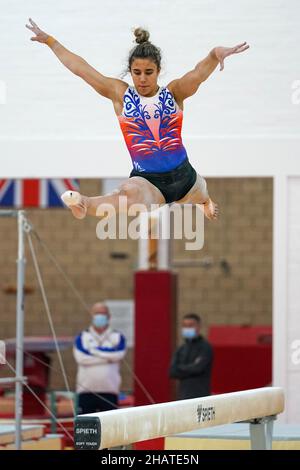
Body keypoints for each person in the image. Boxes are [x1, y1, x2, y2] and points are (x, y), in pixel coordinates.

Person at [26, 19, 249, 221]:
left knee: (203, 196)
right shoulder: (121, 96)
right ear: (130, 72)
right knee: (127, 195)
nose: (142, 78)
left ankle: (205, 203)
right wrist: (50, 41)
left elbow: (198, 74)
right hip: (148, 181)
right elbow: (82, 70)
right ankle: (85, 203)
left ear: (159, 71)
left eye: (149, 72)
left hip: (187, 178)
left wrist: (214, 54)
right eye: (137, 72)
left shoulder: (173, 93)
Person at [73, 302, 126, 414]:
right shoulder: (82, 337)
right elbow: (82, 358)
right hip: (86, 391)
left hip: (109, 391)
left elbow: (118, 355)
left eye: (103, 313)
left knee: (110, 428)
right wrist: (108, 359)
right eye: (97, 313)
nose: (100, 316)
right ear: (92, 315)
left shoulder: (117, 336)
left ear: (109, 316)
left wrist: (92, 351)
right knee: (86, 428)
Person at [169, 313, 213, 399]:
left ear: (198, 327)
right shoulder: (181, 349)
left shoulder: (205, 347)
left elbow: (198, 368)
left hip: (201, 396)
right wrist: (191, 367)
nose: (187, 328)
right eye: (185, 325)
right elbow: (172, 371)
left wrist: (180, 368)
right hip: (183, 396)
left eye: (190, 325)